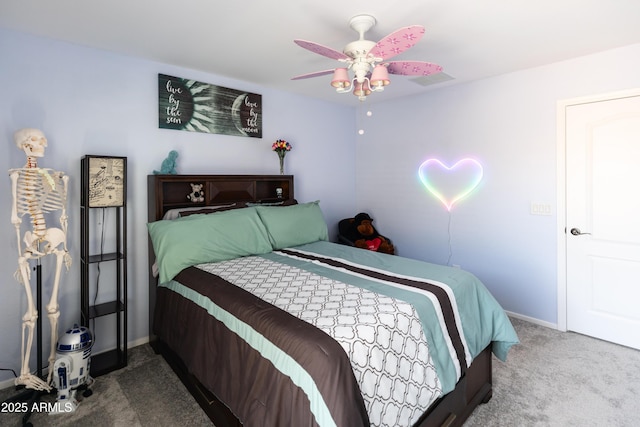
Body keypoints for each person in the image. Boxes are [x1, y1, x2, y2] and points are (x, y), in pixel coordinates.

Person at [9, 128, 71, 391]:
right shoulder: (17, 176)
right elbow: (16, 218)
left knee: (52, 309)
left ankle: (52, 363)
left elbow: (62, 214)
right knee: (31, 314)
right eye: (36, 140)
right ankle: (24, 372)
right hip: (29, 245)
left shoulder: (49, 175)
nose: (43, 142)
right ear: (25, 146)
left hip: (53, 242)